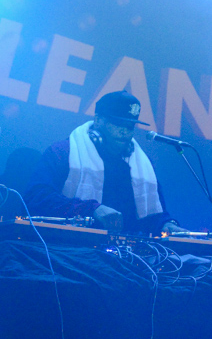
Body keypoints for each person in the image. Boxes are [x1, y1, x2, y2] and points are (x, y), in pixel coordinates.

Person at [24, 90, 181, 236]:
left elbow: (152, 215)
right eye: (117, 123)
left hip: (128, 257)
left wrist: (167, 225)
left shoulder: (143, 166)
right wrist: (91, 210)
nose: (124, 131)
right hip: (69, 247)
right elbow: (36, 198)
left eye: (129, 125)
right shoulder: (63, 152)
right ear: (98, 120)